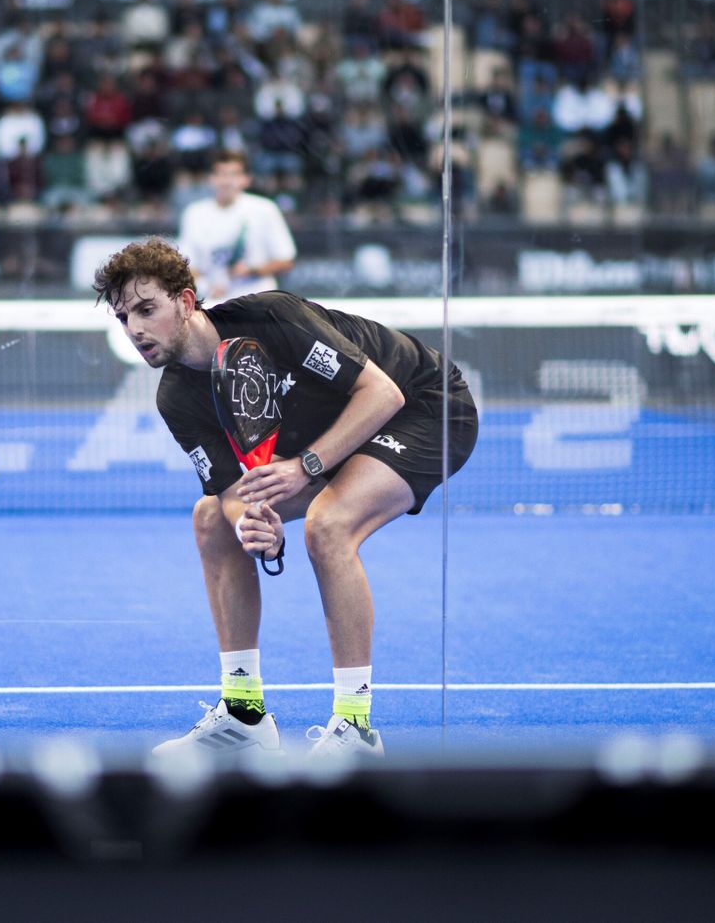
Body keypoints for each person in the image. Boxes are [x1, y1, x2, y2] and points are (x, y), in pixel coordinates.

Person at [93, 238, 479, 758]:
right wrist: (256, 528)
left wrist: (307, 466)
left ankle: (356, 726)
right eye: (122, 317)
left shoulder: (273, 318)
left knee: (329, 524)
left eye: (146, 309)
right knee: (210, 520)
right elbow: (233, 494)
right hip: (335, 438)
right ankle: (244, 713)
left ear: (185, 302)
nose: (134, 329)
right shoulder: (176, 396)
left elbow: (383, 394)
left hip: (425, 404)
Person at [175, 149, 297, 303]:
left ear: (246, 179)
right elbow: (187, 266)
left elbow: (286, 259)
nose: (226, 181)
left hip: (258, 302)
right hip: (213, 303)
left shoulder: (265, 209)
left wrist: (251, 270)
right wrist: (206, 285)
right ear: (211, 178)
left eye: (233, 174)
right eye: (221, 174)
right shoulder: (194, 213)